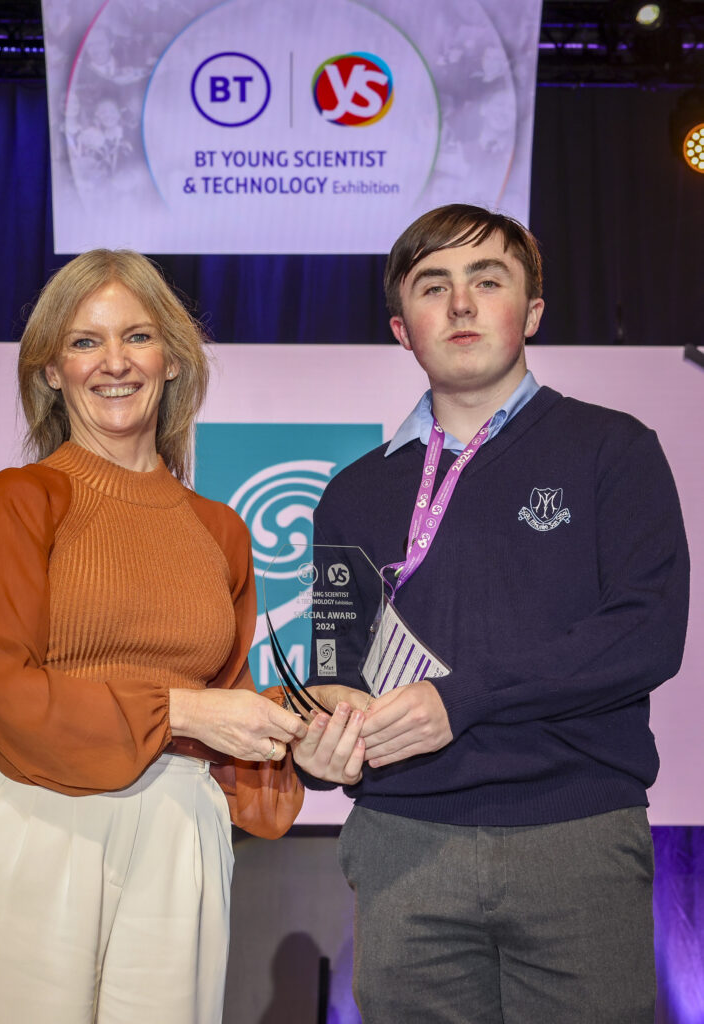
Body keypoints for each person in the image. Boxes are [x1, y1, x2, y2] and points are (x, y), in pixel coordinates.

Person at [292, 204, 690, 1023]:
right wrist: (319, 749)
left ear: (531, 313)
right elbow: (336, 670)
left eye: (487, 280)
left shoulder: (611, 450)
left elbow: (646, 633)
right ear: (403, 328)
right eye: (433, 287)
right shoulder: (353, 492)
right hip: (401, 841)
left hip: (573, 834)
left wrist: (460, 700)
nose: (461, 304)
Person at [0, 250, 306, 1024]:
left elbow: (228, 712)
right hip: (33, 817)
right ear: (52, 371)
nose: (114, 362)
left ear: (171, 360)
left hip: (180, 831)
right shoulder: (21, 500)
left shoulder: (220, 531)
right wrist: (182, 712)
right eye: (84, 341)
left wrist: (296, 738)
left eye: (136, 336)